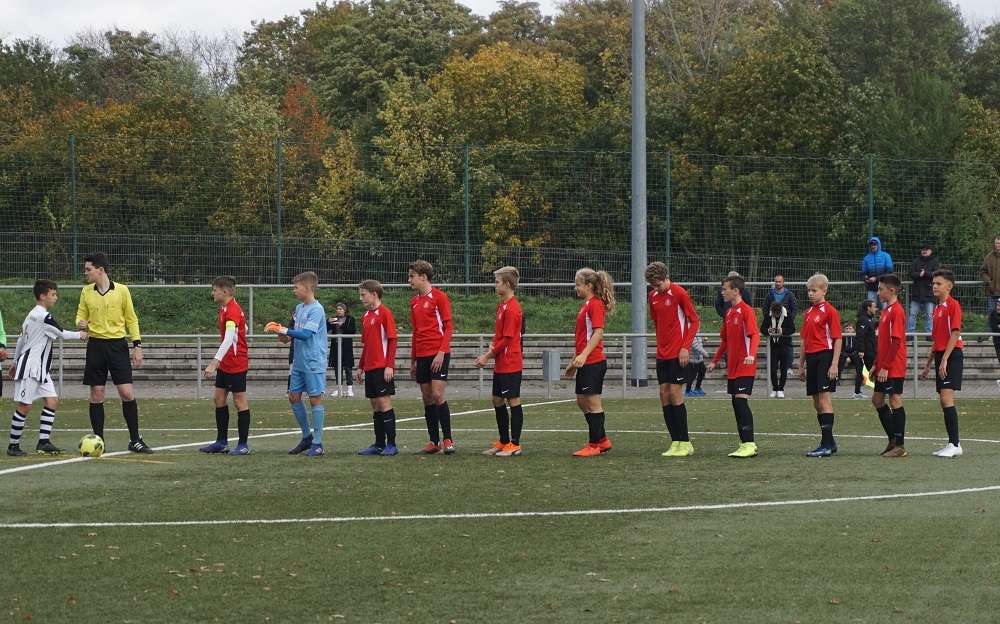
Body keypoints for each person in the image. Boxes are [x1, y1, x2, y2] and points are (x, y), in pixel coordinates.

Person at [76, 252, 151, 453]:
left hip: (117, 346)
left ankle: (135, 440)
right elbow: (80, 316)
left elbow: (131, 319)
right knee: (97, 394)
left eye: (88, 269)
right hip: (95, 347)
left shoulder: (122, 291)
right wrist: (80, 323)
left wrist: (137, 346)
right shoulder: (86, 291)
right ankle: (99, 442)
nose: (85, 273)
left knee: (126, 393)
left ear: (100, 270)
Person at [7, 280, 88, 456]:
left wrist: (14, 362)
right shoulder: (43, 317)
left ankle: (43, 442)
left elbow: (21, 340)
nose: (56, 298)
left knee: (52, 400)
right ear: (43, 296)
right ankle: (13, 445)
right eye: (53, 294)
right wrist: (80, 335)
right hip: (30, 368)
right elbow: (61, 333)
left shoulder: (31, 315)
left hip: (40, 370)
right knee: (25, 406)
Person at [265, 271, 328, 457]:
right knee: (293, 397)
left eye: (296, 287)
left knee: (315, 399)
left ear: (307, 288)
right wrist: (284, 336)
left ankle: (317, 443)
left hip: (313, 361)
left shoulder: (317, 309)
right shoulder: (299, 308)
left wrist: (283, 329)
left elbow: (307, 335)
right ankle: (307, 437)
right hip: (299, 361)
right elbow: (296, 333)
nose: (294, 290)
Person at [645, 261, 700, 457]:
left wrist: (685, 347)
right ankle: (675, 441)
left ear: (667, 278)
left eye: (658, 284)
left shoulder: (679, 293)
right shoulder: (652, 296)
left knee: (675, 392)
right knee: (663, 393)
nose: (656, 288)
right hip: (662, 354)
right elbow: (657, 323)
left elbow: (695, 321)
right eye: (653, 286)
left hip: (678, 353)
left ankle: (685, 442)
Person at [706, 275, 760, 458]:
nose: (722, 293)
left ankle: (749, 444)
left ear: (735, 291)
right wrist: (714, 361)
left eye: (724, 289)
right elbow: (725, 340)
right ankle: (744, 443)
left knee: (740, 401)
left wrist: (751, 355)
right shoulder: (729, 313)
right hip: (733, 366)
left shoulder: (746, 310)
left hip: (745, 364)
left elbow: (755, 335)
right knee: (735, 403)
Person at [565, 268, 615, 457]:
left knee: (593, 404)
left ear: (589, 286)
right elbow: (581, 338)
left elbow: (597, 332)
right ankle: (602, 439)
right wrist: (573, 362)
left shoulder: (595, 305)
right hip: (584, 361)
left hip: (593, 362)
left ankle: (594, 445)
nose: (575, 288)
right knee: (581, 401)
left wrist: (584, 355)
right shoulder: (586, 305)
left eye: (578, 284)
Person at [475, 266, 524, 457]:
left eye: (497, 282)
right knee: (496, 399)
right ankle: (504, 441)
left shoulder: (512, 308)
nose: (494, 285)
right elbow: (500, 335)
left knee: (513, 400)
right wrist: (492, 344)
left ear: (507, 284)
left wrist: (488, 355)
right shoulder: (502, 306)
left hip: (511, 362)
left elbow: (509, 338)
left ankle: (515, 444)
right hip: (501, 362)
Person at [200, 276, 251, 456]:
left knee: (239, 402)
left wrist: (214, 362)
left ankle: (243, 445)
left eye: (215, 290)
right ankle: (221, 442)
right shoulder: (225, 309)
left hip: (236, 363)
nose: (212, 293)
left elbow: (229, 339)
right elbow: (240, 331)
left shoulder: (233, 310)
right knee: (219, 399)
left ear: (225, 292)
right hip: (226, 362)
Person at [408, 260, 455, 455]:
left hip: (438, 353)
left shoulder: (439, 297)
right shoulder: (414, 302)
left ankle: (448, 440)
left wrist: (441, 353)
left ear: (423, 277)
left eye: (412, 276)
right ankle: (434, 441)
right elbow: (415, 332)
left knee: (437, 394)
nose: (409, 280)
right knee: (427, 397)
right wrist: (413, 361)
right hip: (422, 355)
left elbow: (448, 327)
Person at [797, 274, 842, 457]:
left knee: (824, 400)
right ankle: (830, 442)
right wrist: (800, 364)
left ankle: (825, 444)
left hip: (825, 356)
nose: (811, 293)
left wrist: (834, 364)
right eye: (809, 290)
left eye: (814, 290)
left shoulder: (830, 311)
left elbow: (837, 339)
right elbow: (804, 340)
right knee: (816, 402)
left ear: (824, 291)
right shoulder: (808, 312)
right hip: (811, 358)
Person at [920, 270, 964, 458]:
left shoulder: (953, 305)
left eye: (938, 283)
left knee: (947, 399)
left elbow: (955, 333)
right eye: (933, 283)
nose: (934, 286)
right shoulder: (937, 309)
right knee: (943, 400)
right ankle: (953, 443)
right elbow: (937, 340)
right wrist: (928, 364)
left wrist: (945, 359)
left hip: (952, 355)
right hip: (941, 355)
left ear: (949, 286)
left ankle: (955, 444)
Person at [355, 280, 399, 456]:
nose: (361, 298)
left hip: (382, 367)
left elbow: (392, 340)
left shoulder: (385, 313)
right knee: (375, 405)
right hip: (370, 367)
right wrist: (360, 367)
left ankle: (392, 444)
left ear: (374, 295)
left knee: (384, 403)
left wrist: (389, 366)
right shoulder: (365, 316)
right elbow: (366, 344)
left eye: (363, 295)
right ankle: (379, 444)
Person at [871, 274, 908, 458]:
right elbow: (883, 343)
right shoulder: (886, 311)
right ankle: (893, 439)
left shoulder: (897, 311)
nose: (878, 292)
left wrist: (885, 366)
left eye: (881, 289)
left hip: (893, 365)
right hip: (884, 365)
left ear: (891, 291)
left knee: (895, 399)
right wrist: (876, 364)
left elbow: (896, 342)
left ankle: (900, 445)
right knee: (877, 399)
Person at [762, 274, 798, 370]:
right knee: (772, 345)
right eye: (776, 281)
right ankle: (771, 367)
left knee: (788, 345)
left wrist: (789, 319)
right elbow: (765, 308)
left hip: (785, 324)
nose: (778, 283)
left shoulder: (789, 295)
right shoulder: (770, 295)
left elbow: (794, 308)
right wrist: (768, 319)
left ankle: (788, 367)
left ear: (783, 282)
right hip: (773, 323)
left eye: (779, 281)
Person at [761, 301, 795, 398]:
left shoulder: (787, 315)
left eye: (777, 314)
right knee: (772, 369)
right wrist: (769, 330)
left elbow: (792, 329)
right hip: (774, 346)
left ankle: (781, 389)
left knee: (784, 369)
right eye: (774, 314)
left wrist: (783, 331)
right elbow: (762, 329)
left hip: (784, 346)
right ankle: (775, 388)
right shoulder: (768, 316)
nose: (776, 315)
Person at [907, 244, 940, 334]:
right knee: (912, 314)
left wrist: (926, 273)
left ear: (930, 251)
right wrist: (918, 274)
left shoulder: (935, 262)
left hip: (929, 292)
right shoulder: (916, 261)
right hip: (916, 292)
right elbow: (910, 273)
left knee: (929, 315)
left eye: (926, 249)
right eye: (923, 250)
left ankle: (929, 333)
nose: (924, 251)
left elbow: (937, 273)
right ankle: (910, 333)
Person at [327, 302, 356, 397]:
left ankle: (349, 388)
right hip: (336, 346)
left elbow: (352, 331)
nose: (338, 311)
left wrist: (342, 325)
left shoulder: (350, 319)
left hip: (346, 346)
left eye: (340, 309)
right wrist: (328, 322)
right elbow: (325, 329)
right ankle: (338, 388)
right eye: (337, 309)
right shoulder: (334, 319)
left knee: (348, 367)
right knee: (337, 367)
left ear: (344, 310)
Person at [855, 300, 878, 399]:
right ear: (868, 308)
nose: (875, 309)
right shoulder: (863, 320)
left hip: (870, 349)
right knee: (874, 370)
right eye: (874, 307)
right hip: (867, 351)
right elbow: (861, 335)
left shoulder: (869, 319)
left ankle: (857, 392)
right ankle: (879, 391)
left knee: (863, 371)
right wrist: (861, 350)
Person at [861, 237, 894, 308]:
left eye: (874, 245)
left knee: (886, 308)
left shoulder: (886, 256)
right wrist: (865, 277)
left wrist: (876, 278)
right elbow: (863, 272)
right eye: (871, 245)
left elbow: (890, 271)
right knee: (870, 308)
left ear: (878, 245)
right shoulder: (866, 258)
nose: (873, 246)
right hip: (872, 287)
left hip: (884, 286)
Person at [838, 322, 865, 398]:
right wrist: (846, 356)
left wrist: (850, 356)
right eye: (846, 329)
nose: (848, 330)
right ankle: (837, 379)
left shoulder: (856, 337)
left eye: (850, 329)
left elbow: (857, 349)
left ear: (853, 330)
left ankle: (858, 386)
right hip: (845, 355)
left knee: (858, 362)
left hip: (854, 355)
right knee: (840, 359)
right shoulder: (843, 337)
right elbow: (841, 349)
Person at [980, 236, 1000, 313]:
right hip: (992, 290)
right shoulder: (988, 257)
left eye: (999, 243)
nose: (997, 245)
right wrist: (988, 280)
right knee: (992, 312)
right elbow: (982, 271)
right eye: (996, 243)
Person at [987, 299, 1000, 365]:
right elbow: (994, 327)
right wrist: (997, 326)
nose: (998, 307)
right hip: (997, 341)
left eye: (999, 305)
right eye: (997, 305)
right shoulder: (993, 314)